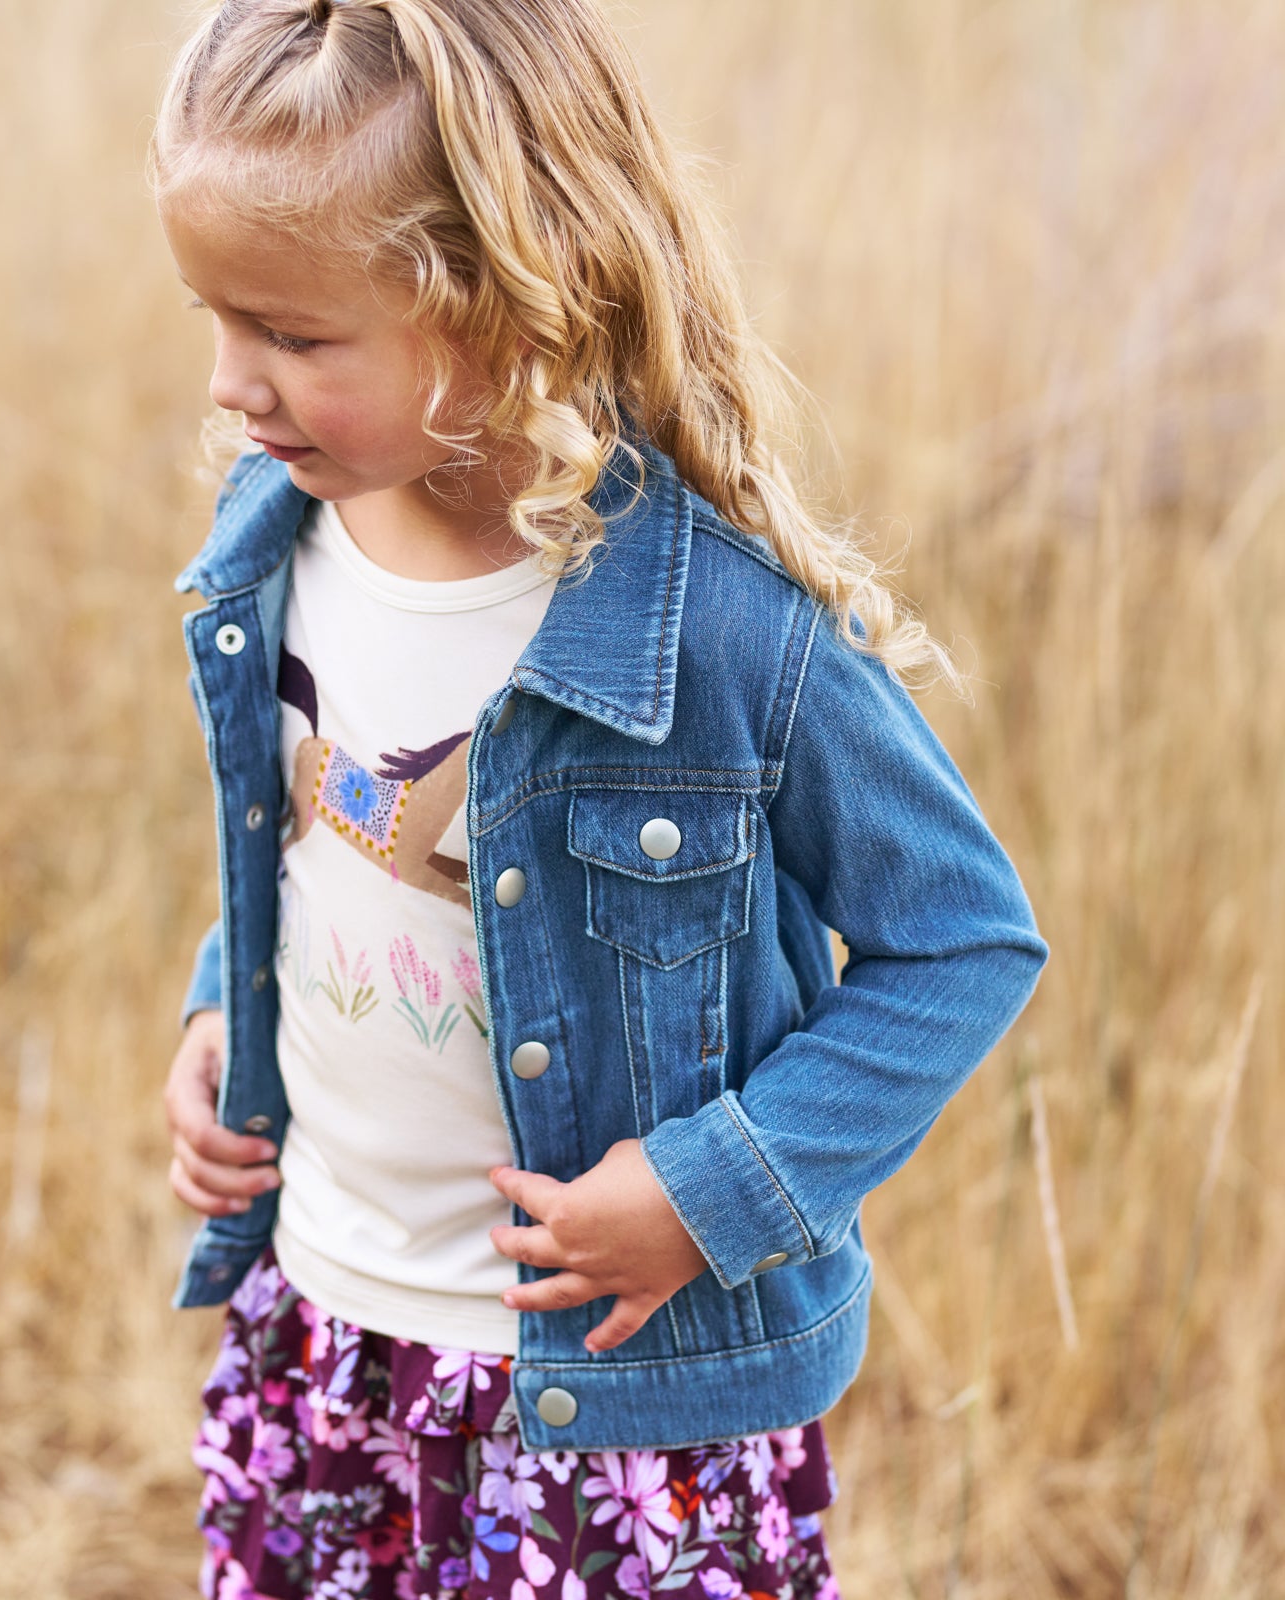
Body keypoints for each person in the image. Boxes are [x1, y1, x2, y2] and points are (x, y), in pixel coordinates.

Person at [149, 2, 1048, 1597]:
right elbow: (292, 830)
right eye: (219, 320)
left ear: (498, 304)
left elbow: (964, 942)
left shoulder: (716, 626)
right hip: (328, 1343)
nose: (234, 384)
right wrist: (230, 1016)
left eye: (294, 337)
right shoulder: (273, 541)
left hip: (619, 1419)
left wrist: (711, 1194)